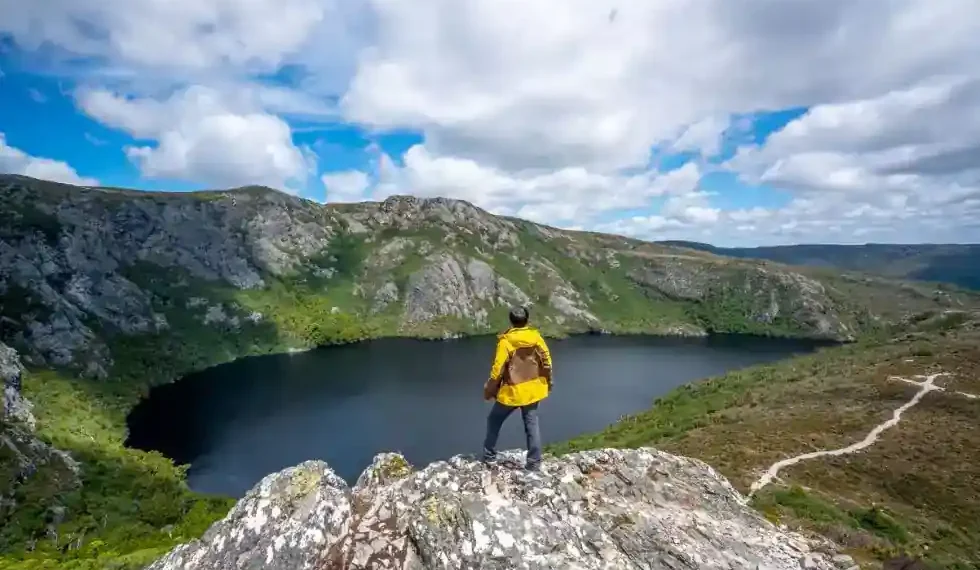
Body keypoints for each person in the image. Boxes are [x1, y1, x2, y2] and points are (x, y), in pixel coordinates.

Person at [482, 305, 553, 471]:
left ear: (511, 322)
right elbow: (547, 362)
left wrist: (490, 388)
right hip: (533, 389)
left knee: (494, 420)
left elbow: (497, 369)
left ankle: (489, 456)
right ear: (527, 320)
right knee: (532, 426)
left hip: (512, 391)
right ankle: (534, 463)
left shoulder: (506, 342)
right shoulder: (536, 338)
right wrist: (548, 382)